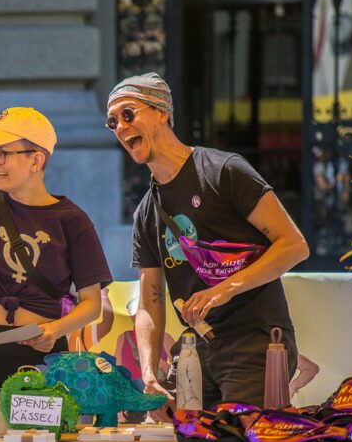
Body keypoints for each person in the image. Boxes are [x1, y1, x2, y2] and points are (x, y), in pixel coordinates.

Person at [107, 73, 309, 414]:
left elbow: (294, 245)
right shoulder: (146, 212)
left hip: (254, 342)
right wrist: (147, 370)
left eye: (129, 114)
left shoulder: (223, 171)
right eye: (112, 122)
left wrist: (222, 290)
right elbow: (150, 302)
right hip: (193, 351)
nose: (121, 127)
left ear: (162, 113)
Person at [0, 107, 113, 423]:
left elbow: (91, 305)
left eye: (1, 153)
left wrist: (54, 330)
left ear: (36, 160)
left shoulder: (73, 220)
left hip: (42, 360)